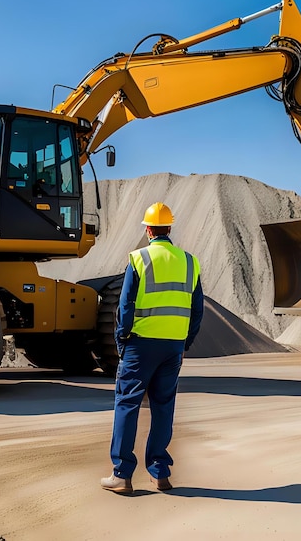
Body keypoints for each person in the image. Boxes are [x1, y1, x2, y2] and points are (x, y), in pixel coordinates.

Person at [101, 202, 204, 494]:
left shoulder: (138, 259)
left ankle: (122, 474)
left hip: (140, 344)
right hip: (172, 347)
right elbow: (198, 310)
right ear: (169, 228)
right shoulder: (189, 261)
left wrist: (122, 341)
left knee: (127, 403)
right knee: (163, 406)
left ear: (148, 230)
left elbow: (125, 307)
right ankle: (159, 472)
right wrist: (185, 343)